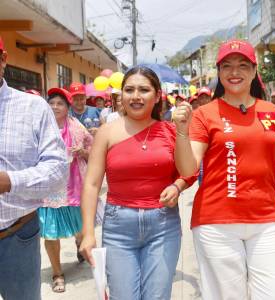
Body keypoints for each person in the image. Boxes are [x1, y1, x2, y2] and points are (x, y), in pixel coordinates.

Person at [173, 39, 275, 300]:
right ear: (218, 72)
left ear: (254, 70)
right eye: (226, 66)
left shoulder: (271, 113)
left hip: (265, 221)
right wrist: (181, 134)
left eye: (242, 65)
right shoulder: (205, 114)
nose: (234, 72)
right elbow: (188, 168)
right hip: (215, 223)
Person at [79, 66, 195, 300]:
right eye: (129, 90)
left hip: (163, 226)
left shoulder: (170, 131)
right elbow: (91, 184)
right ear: (121, 95)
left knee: (157, 296)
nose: (136, 96)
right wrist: (88, 232)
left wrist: (182, 131)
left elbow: (189, 171)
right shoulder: (106, 132)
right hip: (118, 227)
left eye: (144, 90)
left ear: (157, 95)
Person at [0, 36, 68, 300]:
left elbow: (58, 173)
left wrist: (9, 181)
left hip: (17, 234)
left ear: (3, 59)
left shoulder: (32, 107)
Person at [38, 87, 93, 293]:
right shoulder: (40, 126)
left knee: (80, 229)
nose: (54, 106)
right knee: (51, 234)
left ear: (67, 107)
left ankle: (81, 246)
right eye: (51, 102)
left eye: (60, 103)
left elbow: (93, 151)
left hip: (75, 188)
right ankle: (57, 273)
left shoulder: (77, 127)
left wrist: (82, 152)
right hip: (49, 190)